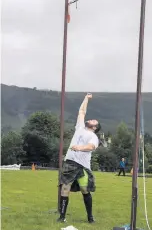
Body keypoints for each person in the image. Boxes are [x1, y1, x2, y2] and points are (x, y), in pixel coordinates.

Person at [57, 93, 101, 224]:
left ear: (95, 128)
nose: (91, 120)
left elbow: (91, 146)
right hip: (70, 162)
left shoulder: (93, 137)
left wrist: (79, 148)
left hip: (82, 166)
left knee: (84, 190)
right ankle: (62, 217)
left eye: (94, 121)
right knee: (65, 188)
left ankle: (90, 218)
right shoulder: (80, 127)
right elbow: (82, 112)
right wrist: (86, 99)